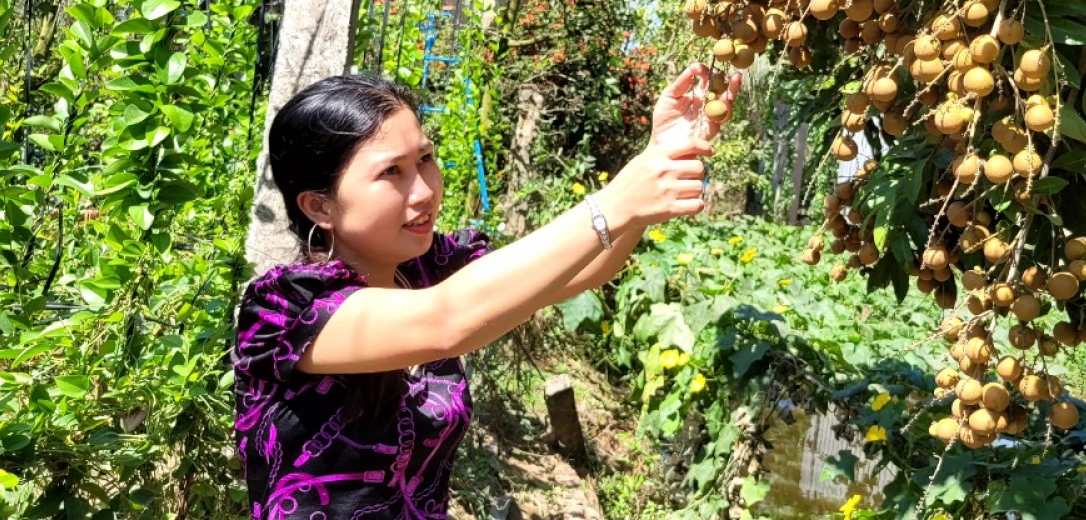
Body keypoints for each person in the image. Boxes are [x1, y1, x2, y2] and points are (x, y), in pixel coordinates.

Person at [233, 63, 741, 520]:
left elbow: (577, 273)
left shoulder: (429, 268)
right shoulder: (284, 312)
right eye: (392, 172)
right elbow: (444, 322)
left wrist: (657, 166)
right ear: (319, 207)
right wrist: (613, 202)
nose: (426, 190)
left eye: (425, 159)